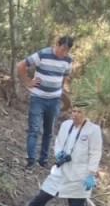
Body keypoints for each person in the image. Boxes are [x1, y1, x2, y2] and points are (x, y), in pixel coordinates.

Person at [23, 101, 101, 206]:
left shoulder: (93, 130)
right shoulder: (66, 125)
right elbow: (58, 142)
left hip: (79, 176)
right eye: (74, 111)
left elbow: (95, 153)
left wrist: (91, 174)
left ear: (86, 114)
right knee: (41, 198)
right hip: (60, 170)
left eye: (79, 112)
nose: (75, 114)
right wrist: (59, 153)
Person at [16, 36, 75, 168]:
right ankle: (30, 160)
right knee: (34, 130)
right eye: (62, 49)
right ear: (57, 45)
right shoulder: (43, 54)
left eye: (67, 50)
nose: (64, 53)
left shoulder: (68, 59)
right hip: (38, 98)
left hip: (54, 100)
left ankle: (43, 160)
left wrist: (60, 89)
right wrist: (27, 81)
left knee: (48, 131)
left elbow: (65, 75)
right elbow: (20, 65)